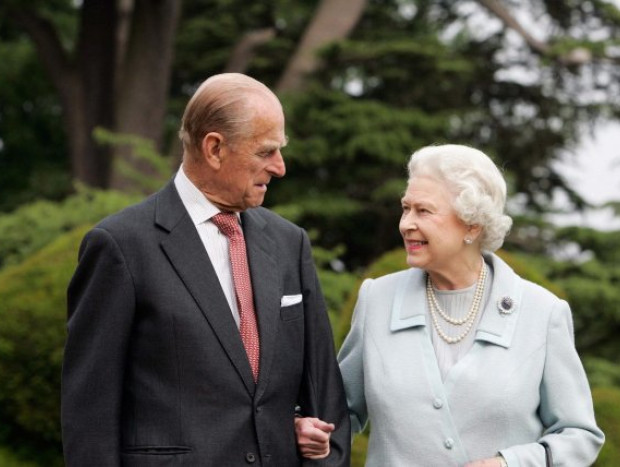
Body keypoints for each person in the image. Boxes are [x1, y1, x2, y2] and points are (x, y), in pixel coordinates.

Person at [61, 73, 350, 466]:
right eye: (266, 152)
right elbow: (89, 414)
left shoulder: (289, 243)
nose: (279, 167)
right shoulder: (120, 246)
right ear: (214, 148)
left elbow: (326, 398)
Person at [299, 144, 604, 466]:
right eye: (406, 208)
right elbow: (336, 413)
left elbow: (579, 435)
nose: (406, 224)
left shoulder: (542, 313)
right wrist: (310, 430)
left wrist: (509, 464)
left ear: (472, 225)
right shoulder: (377, 299)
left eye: (424, 211)